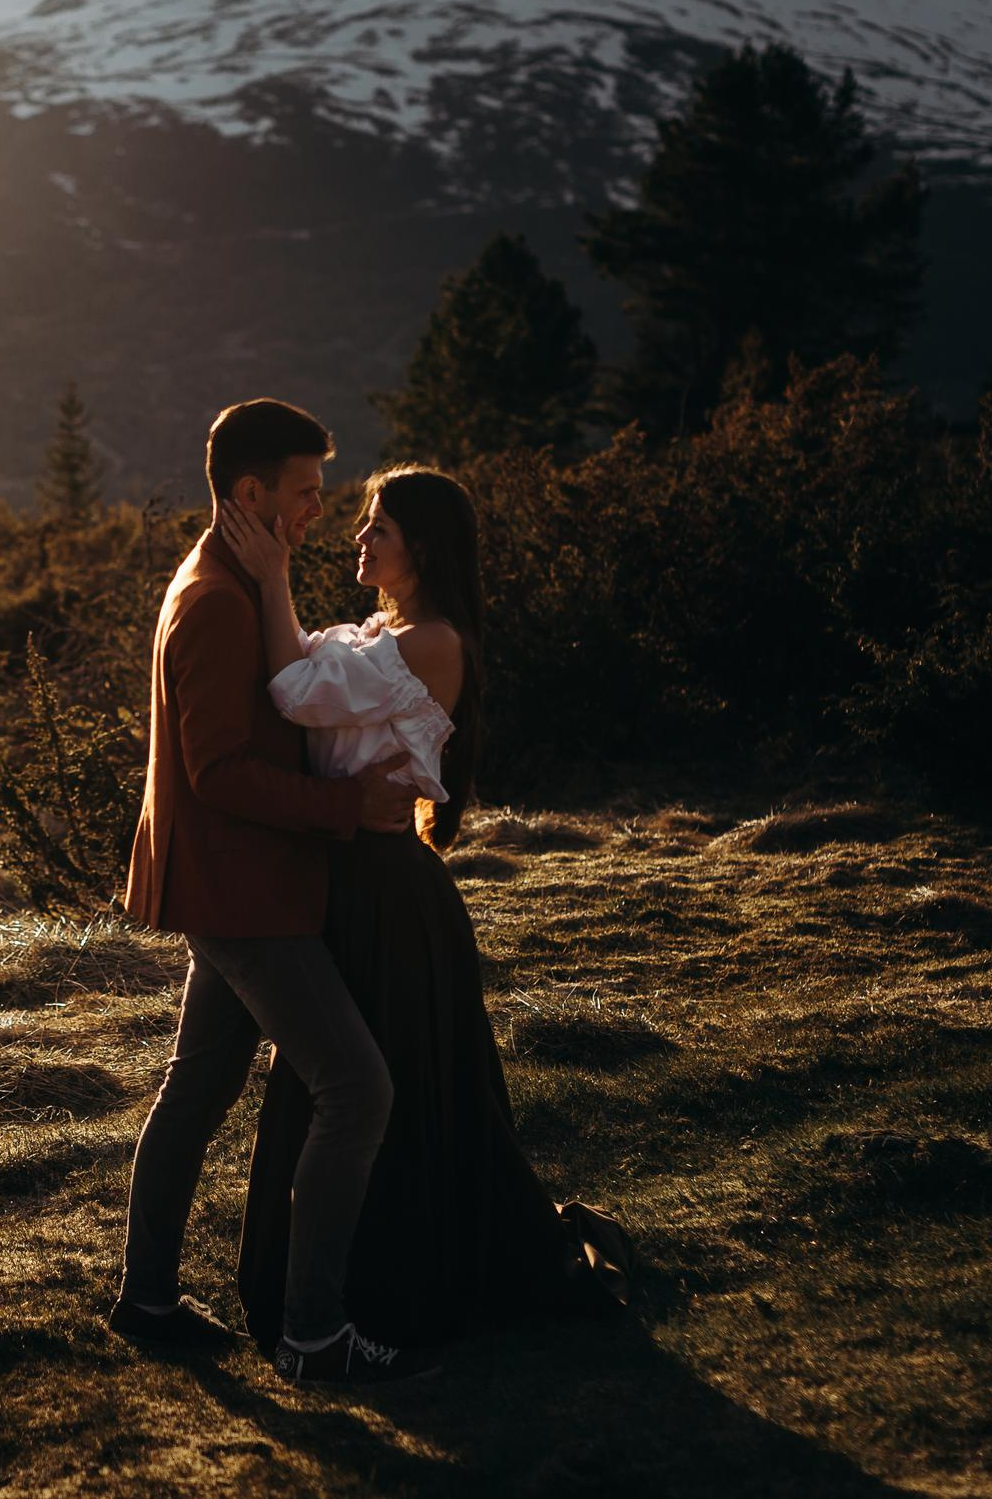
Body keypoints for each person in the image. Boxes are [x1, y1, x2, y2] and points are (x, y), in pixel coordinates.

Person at [216, 465, 633, 1354]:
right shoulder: (380, 632)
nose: (360, 539)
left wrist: (273, 576)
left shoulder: (435, 642)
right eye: (364, 524)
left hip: (389, 894)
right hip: (343, 882)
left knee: (384, 1089)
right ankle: (321, 1293)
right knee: (344, 1085)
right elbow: (299, 678)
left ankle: (386, 1287)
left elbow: (294, 692)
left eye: (380, 529)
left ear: (424, 549)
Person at [106, 398, 444, 1386]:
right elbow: (218, 771)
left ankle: (148, 1299)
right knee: (357, 1089)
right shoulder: (216, 601)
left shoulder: (228, 578)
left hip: (222, 885)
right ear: (250, 492)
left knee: (198, 1086)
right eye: (304, 494)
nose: (316, 513)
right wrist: (347, 805)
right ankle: (312, 1333)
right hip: (242, 892)